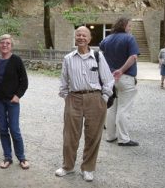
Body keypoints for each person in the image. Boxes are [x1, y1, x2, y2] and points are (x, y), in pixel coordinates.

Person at [55, 26, 114, 182]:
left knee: (93, 135)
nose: (81, 37)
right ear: (75, 38)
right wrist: (66, 97)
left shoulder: (98, 56)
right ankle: (67, 166)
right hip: (73, 98)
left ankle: (88, 168)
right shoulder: (68, 58)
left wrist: (104, 98)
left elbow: (108, 80)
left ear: (89, 39)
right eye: (78, 35)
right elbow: (63, 81)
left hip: (95, 98)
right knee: (70, 135)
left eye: (84, 35)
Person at [0, 34, 29, 170]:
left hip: (12, 101)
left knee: (15, 130)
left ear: (11, 46)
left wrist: (17, 96)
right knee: (3, 129)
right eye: (2, 43)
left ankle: (22, 158)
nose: (5, 45)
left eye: (8, 43)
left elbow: (24, 81)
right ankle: (7, 157)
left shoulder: (16, 60)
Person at [100, 17, 140, 147]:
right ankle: (123, 139)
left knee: (112, 107)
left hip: (111, 78)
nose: (130, 28)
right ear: (123, 26)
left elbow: (101, 56)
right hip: (125, 77)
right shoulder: (129, 38)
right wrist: (121, 70)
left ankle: (110, 136)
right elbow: (133, 57)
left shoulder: (106, 39)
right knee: (124, 109)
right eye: (129, 26)